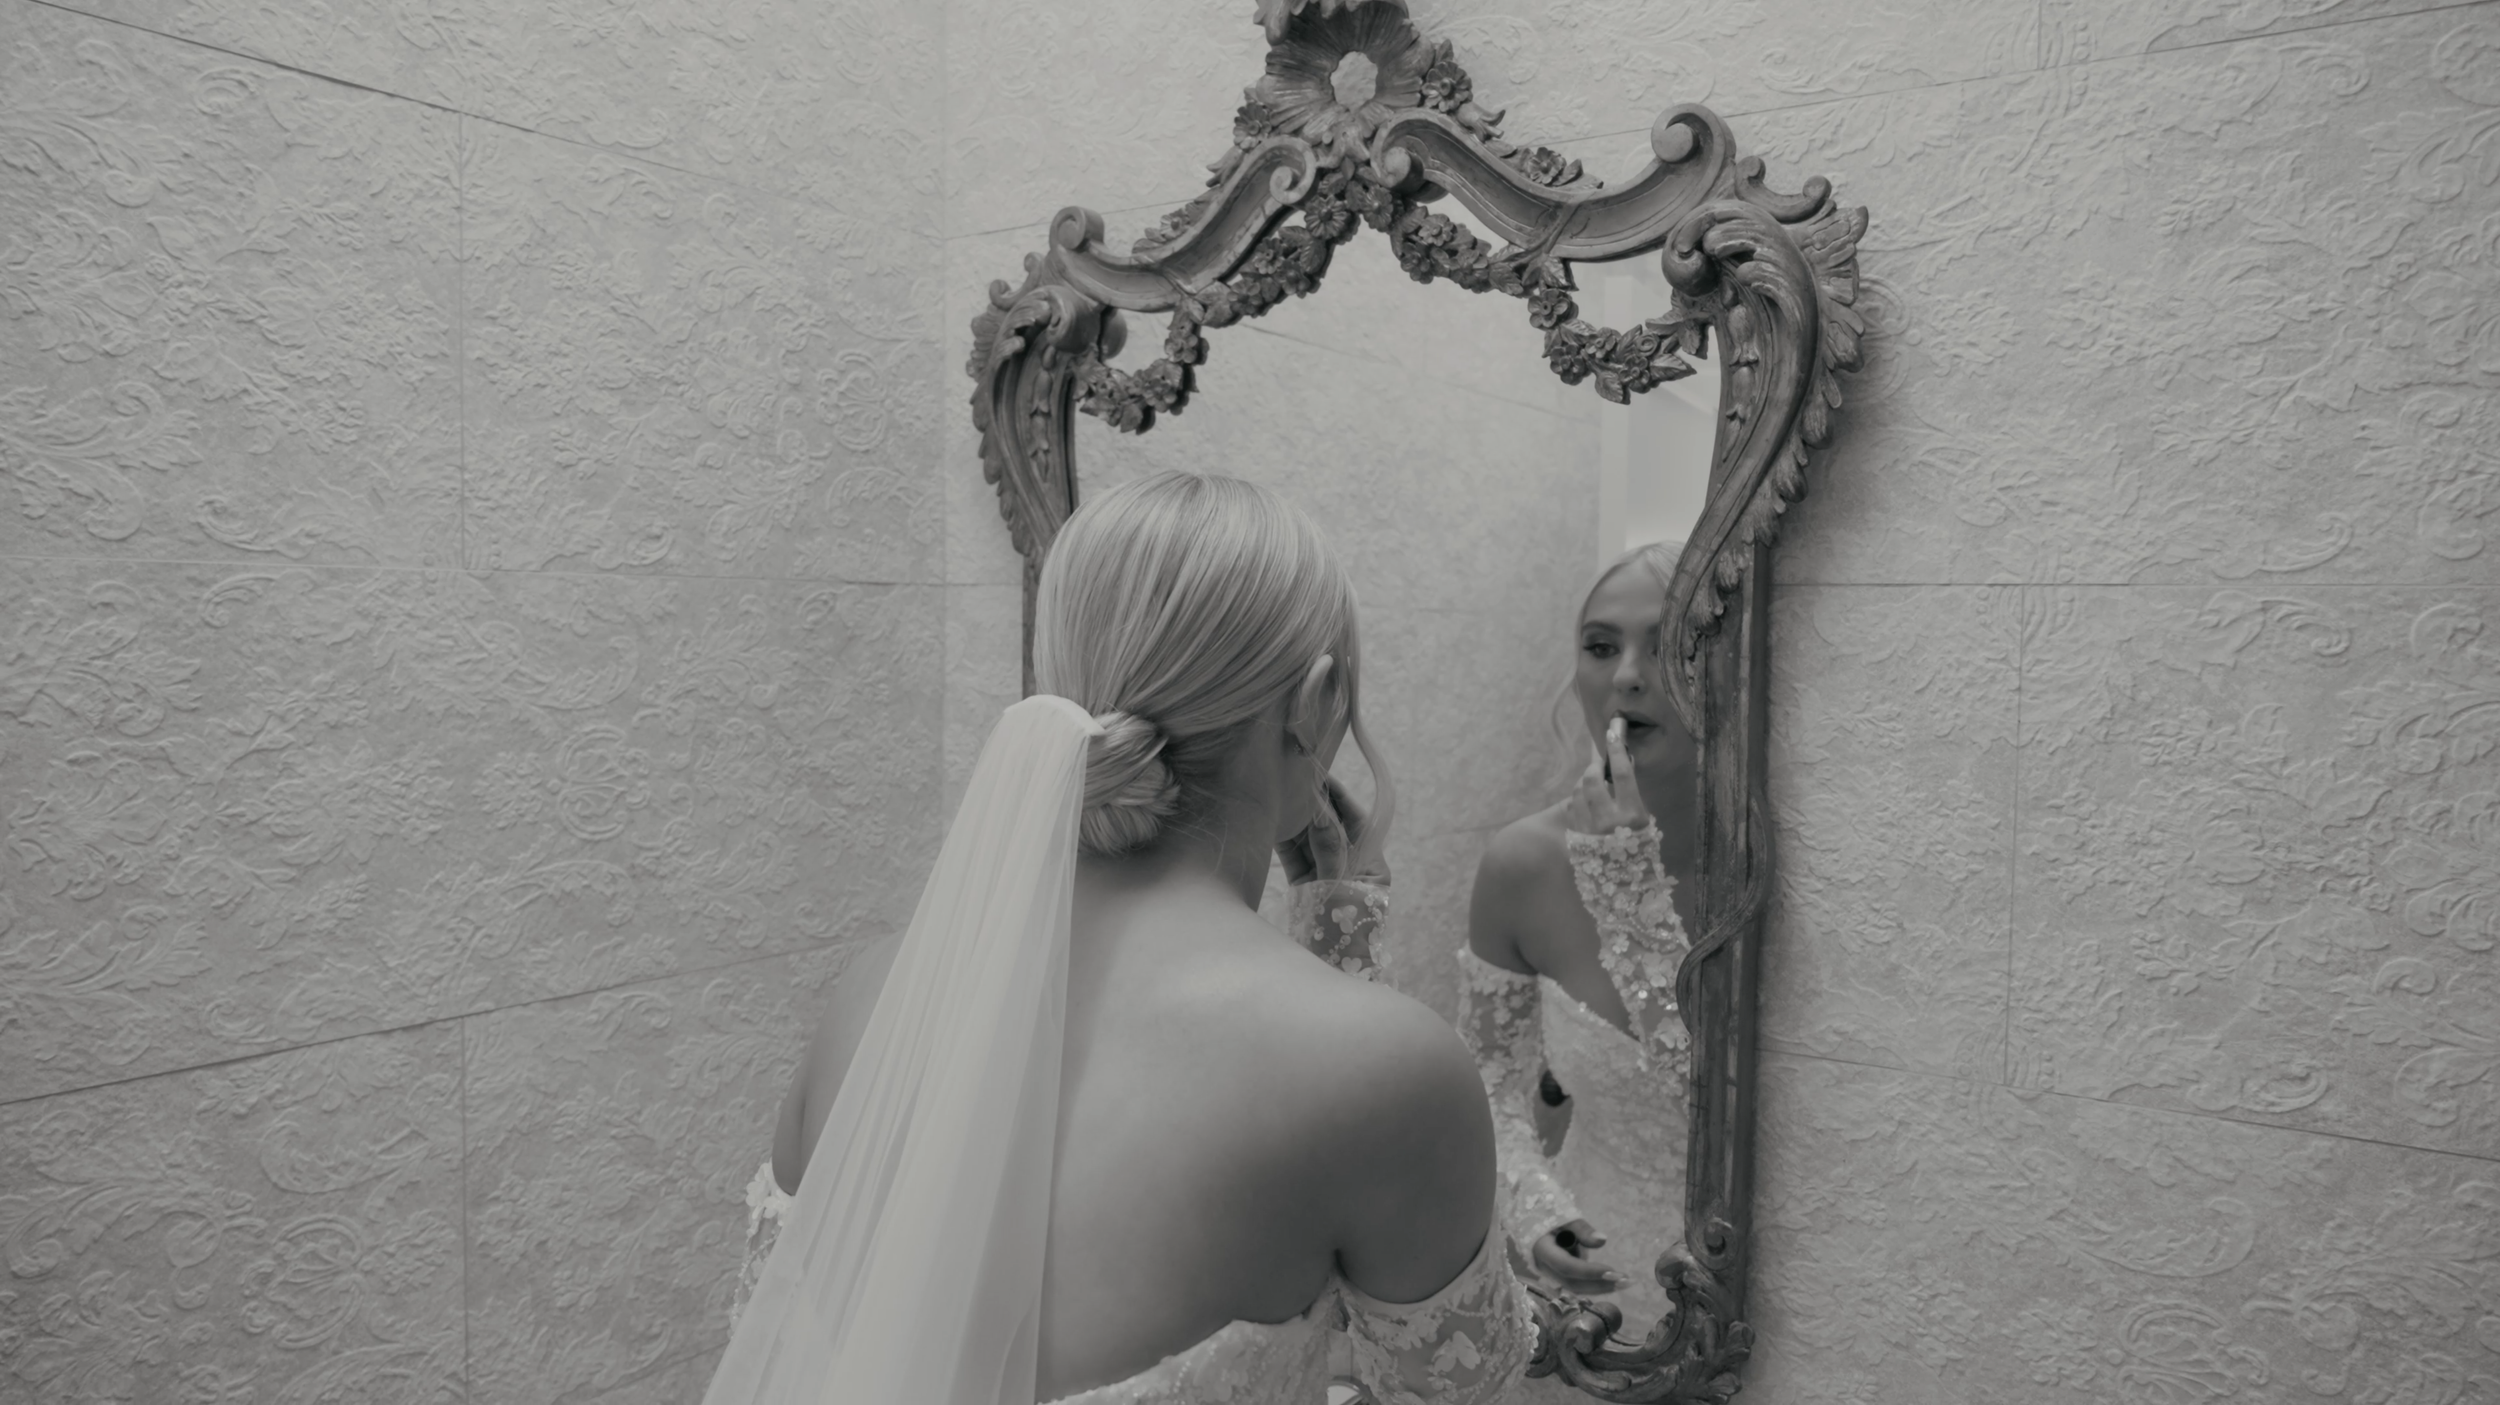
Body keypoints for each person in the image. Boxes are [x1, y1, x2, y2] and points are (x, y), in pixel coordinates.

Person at [705, 471, 1537, 1405]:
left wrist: (1331, 931)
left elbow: (779, 1347)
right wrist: (1340, 933)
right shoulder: (1383, 1066)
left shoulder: (880, 989)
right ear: (1313, 703)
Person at [1457, 540, 1698, 1360]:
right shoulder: (1522, 864)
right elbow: (1487, 1087)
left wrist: (1628, 891)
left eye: (1669, 645)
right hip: (1587, 1303)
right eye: (1602, 646)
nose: (1627, 675)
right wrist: (1533, 1206)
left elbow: (1708, 1097)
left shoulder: (1787, 866)